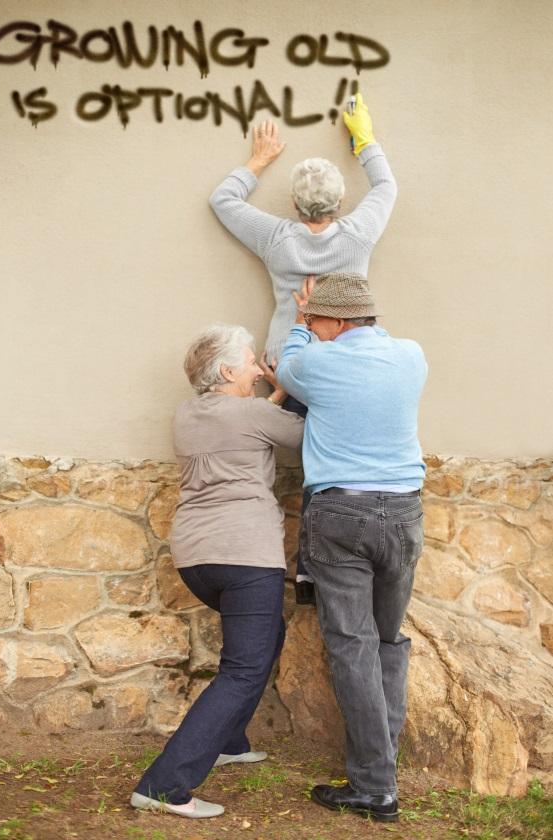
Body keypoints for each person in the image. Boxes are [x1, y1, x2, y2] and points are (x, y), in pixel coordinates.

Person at [209, 94, 397, 602]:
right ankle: (322, 570)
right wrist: (364, 137)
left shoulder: (277, 237)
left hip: (287, 367)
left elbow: (223, 201)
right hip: (346, 366)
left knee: (299, 464)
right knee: (330, 464)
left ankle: (290, 569)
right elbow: (386, 186)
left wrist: (258, 161)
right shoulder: (358, 234)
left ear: (294, 204)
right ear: (339, 203)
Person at [131, 325, 304, 819]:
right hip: (246, 555)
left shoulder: (187, 414)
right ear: (228, 371)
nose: (256, 367)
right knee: (244, 669)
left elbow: (247, 423)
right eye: (250, 361)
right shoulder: (253, 413)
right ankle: (165, 785)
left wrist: (271, 394)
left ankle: (228, 741)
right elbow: (304, 435)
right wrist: (291, 385)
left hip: (196, 558)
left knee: (267, 637)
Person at [276, 274, 428, 823]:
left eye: (319, 320)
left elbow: (288, 367)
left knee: (353, 647)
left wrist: (298, 325)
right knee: (388, 641)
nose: (314, 327)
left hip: (341, 513)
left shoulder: (318, 360)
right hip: (404, 511)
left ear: (337, 323)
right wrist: (315, 319)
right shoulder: (411, 356)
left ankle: (374, 787)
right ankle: (379, 775)